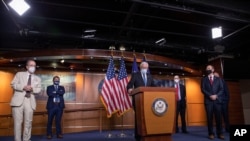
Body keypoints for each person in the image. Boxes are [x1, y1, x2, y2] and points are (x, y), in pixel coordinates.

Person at [10, 59, 42, 141]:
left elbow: (38, 90)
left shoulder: (37, 78)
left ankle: (26, 139)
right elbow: (13, 84)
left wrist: (32, 89)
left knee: (28, 122)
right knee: (17, 123)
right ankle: (17, 139)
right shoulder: (19, 74)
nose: (33, 67)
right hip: (18, 101)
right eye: (31, 65)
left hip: (29, 101)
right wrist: (23, 87)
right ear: (27, 67)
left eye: (34, 66)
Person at [127, 61, 156, 140]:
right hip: (138, 101)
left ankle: (147, 134)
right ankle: (138, 136)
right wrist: (129, 88)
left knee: (148, 118)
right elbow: (130, 84)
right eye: (144, 67)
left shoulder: (150, 76)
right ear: (140, 67)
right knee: (138, 119)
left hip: (149, 101)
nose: (145, 69)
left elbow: (154, 86)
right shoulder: (135, 75)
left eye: (146, 67)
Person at [201, 65, 224, 140]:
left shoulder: (218, 79)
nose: (208, 69)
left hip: (217, 101)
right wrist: (210, 95)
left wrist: (216, 95)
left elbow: (221, 89)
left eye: (209, 68)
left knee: (218, 118)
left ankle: (220, 133)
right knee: (209, 118)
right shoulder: (204, 79)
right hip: (208, 101)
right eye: (207, 68)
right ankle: (211, 133)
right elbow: (203, 89)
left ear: (213, 70)